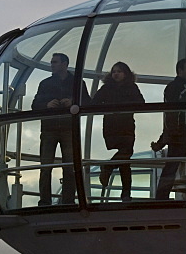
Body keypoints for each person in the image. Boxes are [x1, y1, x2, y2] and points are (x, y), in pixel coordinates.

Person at [31, 53, 90, 206]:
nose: (52, 65)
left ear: (64, 63)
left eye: (55, 62)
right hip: (58, 129)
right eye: (52, 62)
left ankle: (61, 201)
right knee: (49, 167)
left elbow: (88, 102)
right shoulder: (74, 83)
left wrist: (72, 102)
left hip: (60, 129)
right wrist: (47, 105)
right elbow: (35, 105)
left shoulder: (74, 83)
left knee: (61, 167)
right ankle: (55, 201)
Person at [91, 62, 145, 201]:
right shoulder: (109, 88)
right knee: (125, 157)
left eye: (119, 71)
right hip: (115, 126)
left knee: (125, 158)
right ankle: (126, 193)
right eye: (114, 71)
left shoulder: (123, 88)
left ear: (125, 73)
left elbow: (141, 103)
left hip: (122, 125)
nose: (116, 74)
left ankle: (110, 170)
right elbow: (94, 103)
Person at [151, 58, 186, 200]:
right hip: (182, 135)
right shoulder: (179, 88)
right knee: (178, 166)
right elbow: (171, 114)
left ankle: (163, 197)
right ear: (180, 71)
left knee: (174, 166)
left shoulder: (182, 87)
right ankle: (164, 197)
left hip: (181, 134)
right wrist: (170, 135)